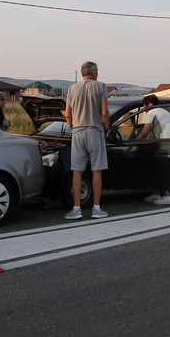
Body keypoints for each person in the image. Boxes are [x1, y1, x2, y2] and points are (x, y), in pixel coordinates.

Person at [63, 62, 109, 220]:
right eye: (97, 70)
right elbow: (105, 112)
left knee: (77, 170)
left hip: (77, 132)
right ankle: (96, 208)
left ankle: (76, 208)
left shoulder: (72, 89)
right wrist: (107, 127)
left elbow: (67, 114)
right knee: (97, 170)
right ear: (94, 71)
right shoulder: (100, 86)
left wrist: (73, 127)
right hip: (95, 131)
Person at [138, 94, 170, 206]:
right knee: (156, 167)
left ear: (150, 104)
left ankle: (167, 196)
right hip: (169, 142)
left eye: (144, 105)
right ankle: (156, 193)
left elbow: (145, 131)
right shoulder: (162, 111)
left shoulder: (152, 112)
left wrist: (137, 140)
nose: (144, 108)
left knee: (160, 169)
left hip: (166, 143)